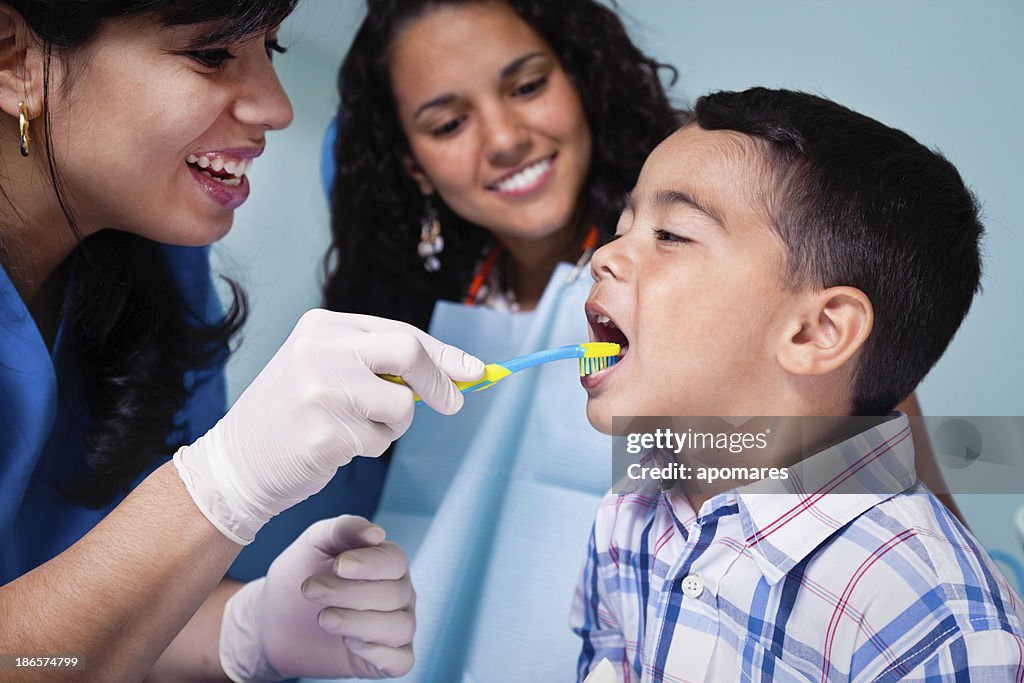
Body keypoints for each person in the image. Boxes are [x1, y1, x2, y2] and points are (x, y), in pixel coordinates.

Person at [254, 1, 961, 680]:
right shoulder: (409, 316)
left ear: (581, 80)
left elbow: (897, 497)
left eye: (527, 86)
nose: (503, 139)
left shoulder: (760, 282)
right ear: (413, 164)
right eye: (446, 124)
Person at [0, 1, 486, 680]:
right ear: (16, 61)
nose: (277, 107)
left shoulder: (154, 267)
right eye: (212, 52)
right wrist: (222, 485)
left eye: (274, 50)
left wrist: (243, 626)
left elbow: (81, 624)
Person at [572, 88, 1022, 681]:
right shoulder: (632, 503)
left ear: (815, 332)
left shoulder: (928, 618)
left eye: (672, 235)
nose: (605, 255)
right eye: (624, 225)